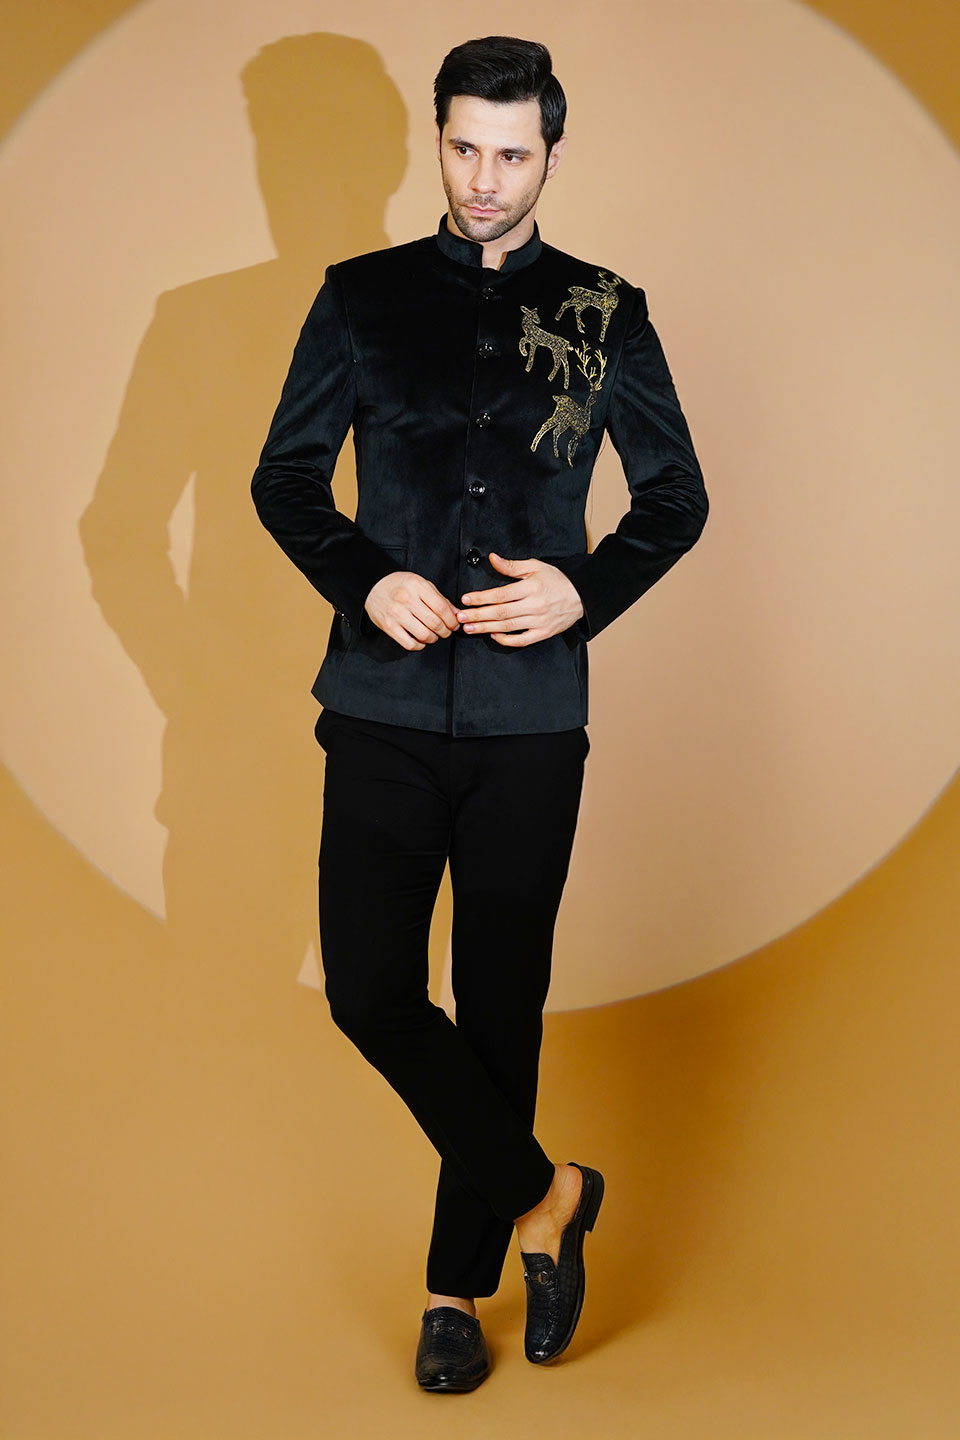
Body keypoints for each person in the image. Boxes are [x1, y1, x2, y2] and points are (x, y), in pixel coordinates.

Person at [251, 34, 708, 1392]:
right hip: (380, 704)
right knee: (371, 988)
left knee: (503, 1006)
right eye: (464, 148)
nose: (485, 178)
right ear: (437, 141)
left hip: (530, 724)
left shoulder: (606, 311)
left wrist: (584, 592)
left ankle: (454, 1294)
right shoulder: (361, 297)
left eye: (512, 153)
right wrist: (362, 575)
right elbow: (285, 478)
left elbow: (675, 497)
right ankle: (552, 1197)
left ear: (551, 153)